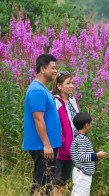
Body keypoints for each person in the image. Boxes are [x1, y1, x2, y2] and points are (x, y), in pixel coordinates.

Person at [23, 54, 62, 195]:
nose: (55, 71)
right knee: (41, 183)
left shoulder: (43, 89)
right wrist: (46, 144)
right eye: (52, 68)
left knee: (46, 185)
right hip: (42, 146)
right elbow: (38, 119)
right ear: (42, 69)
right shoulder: (36, 91)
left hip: (47, 145)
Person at [52, 71, 79, 193]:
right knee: (55, 182)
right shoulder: (54, 102)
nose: (72, 86)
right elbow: (52, 126)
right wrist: (61, 142)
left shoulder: (72, 101)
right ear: (59, 86)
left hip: (71, 149)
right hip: (59, 149)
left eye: (72, 83)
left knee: (63, 182)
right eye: (68, 83)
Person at [70, 112, 108, 196]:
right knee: (79, 193)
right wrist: (97, 155)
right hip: (82, 174)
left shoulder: (78, 137)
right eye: (90, 124)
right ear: (86, 125)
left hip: (83, 173)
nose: (90, 126)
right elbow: (81, 156)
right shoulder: (81, 139)